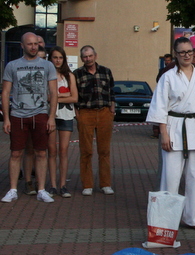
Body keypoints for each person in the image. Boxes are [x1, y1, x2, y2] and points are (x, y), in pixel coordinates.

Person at [146, 37, 195, 231]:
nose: (187, 55)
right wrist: (163, 133)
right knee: (171, 177)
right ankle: (166, 222)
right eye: (182, 52)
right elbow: (160, 106)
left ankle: (192, 218)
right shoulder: (168, 76)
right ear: (176, 54)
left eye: (189, 52)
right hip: (175, 125)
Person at [1, 32, 58, 204]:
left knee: (41, 152)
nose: (33, 47)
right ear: (22, 46)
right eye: (30, 44)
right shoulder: (12, 65)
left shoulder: (47, 65)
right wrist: (7, 118)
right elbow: (5, 92)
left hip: (40, 114)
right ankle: (12, 190)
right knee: (16, 152)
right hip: (18, 114)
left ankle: (41, 189)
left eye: (35, 44)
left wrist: (51, 118)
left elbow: (54, 93)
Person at [74, 45, 116, 196]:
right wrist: (77, 113)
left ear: (95, 56)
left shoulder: (106, 71)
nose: (88, 59)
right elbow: (75, 94)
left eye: (90, 56)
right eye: (85, 57)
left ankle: (105, 184)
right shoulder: (77, 74)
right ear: (82, 58)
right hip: (86, 113)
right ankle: (87, 185)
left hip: (104, 112)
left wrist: (112, 108)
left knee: (104, 151)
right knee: (86, 151)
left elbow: (112, 91)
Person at [46, 46, 78, 198]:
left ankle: (63, 185)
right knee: (51, 151)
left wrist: (55, 96)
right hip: (50, 116)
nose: (57, 60)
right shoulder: (46, 75)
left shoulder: (69, 76)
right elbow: (45, 97)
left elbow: (74, 97)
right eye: (55, 57)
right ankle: (52, 185)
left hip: (66, 115)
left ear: (64, 59)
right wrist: (62, 96)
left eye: (60, 58)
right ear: (50, 58)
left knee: (63, 151)